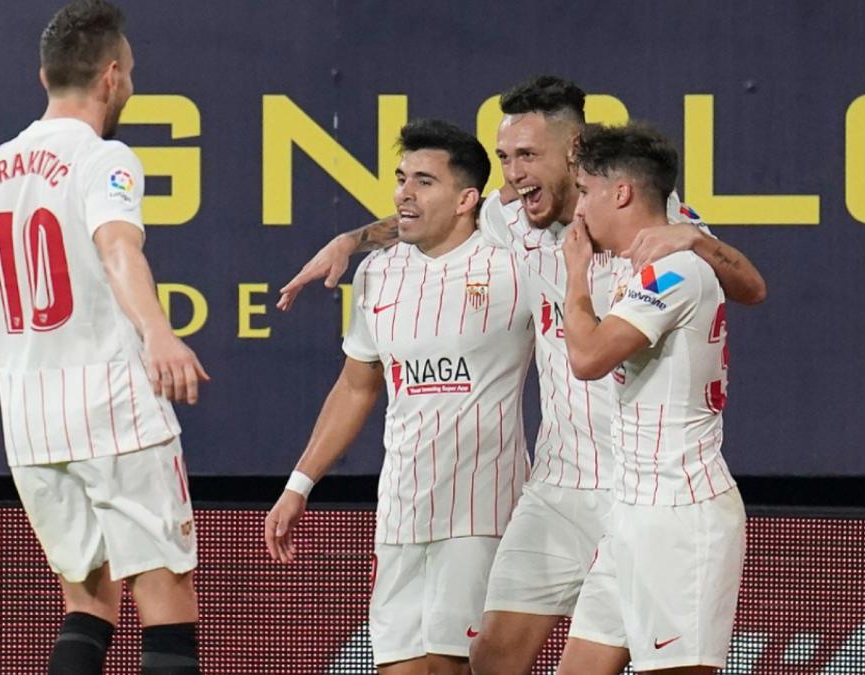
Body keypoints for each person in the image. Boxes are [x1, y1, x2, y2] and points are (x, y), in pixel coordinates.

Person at [274, 76, 765, 675]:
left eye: (527, 156)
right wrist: (350, 241)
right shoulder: (511, 219)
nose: (512, 176)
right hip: (559, 486)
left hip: (643, 489)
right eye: (505, 159)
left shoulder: (655, 226)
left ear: (577, 150)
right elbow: (439, 209)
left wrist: (699, 241)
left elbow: (747, 287)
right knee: (492, 657)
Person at [0, 2, 208, 673]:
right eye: (129, 74)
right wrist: (158, 333)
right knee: (166, 610)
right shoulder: (106, 159)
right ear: (113, 77)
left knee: (87, 605)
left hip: (33, 424)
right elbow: (118, 247)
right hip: (117, 408)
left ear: (44, 77)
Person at [264, 119, 534, 675]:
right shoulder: (378, 275)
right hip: (402, 513)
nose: (404, 193)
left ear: (467, 200)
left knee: (446, 668)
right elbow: (355, 386)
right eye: (400, 177)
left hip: (481, 510)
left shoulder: (514, 262)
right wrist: (298, 484)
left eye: (424, 181)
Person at [559, 121, 744, 675]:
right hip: (632, 514)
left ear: (621, 193)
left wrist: (574, 276)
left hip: (681, 515)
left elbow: (588, 359)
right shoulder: (665, 253)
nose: (579, 208)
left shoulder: (672, 270)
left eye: (586, 192)